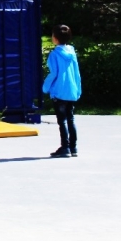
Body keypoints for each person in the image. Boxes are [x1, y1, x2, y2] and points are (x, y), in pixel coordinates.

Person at [43, 24, 82, 158]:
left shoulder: (54, 54)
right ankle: (73, 147)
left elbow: (54, 73)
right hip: (71, 90)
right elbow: (76, 72)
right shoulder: (72, 51)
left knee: (62, 121)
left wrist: (46, 87)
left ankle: (65, 147)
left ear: (55, 38)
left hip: (59, 91)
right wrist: (78, 89)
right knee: (71, 119)